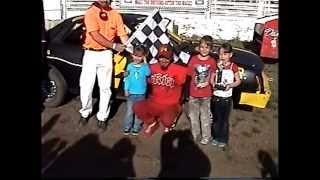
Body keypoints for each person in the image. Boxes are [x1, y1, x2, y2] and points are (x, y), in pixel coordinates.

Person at [79, 0, 128, 130]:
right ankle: (85, 112)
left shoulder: (115, 15)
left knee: (105, 87)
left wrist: (132, 49)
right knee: (86, 86)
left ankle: (102, 117)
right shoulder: (90, 13)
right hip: (90, 54)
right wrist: (114, 45)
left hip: (106, 54)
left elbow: (123, 35)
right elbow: (94, 34)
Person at [133, 44, 187, 136]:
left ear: (171, 58)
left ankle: (173, 117)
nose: (163, 60)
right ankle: (152, 122)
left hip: (171, 104)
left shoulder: (180, 69)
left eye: (167, 58)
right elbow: (139, 71)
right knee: (137, 107)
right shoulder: (151, 67)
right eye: (161, 57)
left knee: (167, 122)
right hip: (154, 101)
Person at [187, 35, 217, 145]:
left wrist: (206, 82)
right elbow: (190, 74)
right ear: (198, 47)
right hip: (194, 93)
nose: (204, 50)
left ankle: (206, 136)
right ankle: (196, 135)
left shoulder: (212, 61)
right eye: (202, 47)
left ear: (211, 49)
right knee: (193, 116)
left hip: (206, 94)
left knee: (205, 116)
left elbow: (212, 74)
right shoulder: (193, 59)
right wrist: (196, 82)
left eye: (207, 47)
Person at [211, 43, 241, 148]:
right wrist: (213, 83)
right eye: (220, 54)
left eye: (225, 54)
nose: (222, 56)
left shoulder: (233, 66)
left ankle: (223, 139)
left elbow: (238, 81)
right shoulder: (217, 65)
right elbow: (212, 77)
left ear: (230, 55)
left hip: (226, 98)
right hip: (216, 96)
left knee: (224, 121)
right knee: (216, 119)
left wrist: (230, 85)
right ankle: (215, 137)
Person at [122, 44, 150, 136]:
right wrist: (126, 89)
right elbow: (127, 79)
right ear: (132, 55)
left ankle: (136, 128)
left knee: (139, 113)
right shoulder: (129, 66)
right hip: (131, 93)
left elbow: (148, 73)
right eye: (135, 55)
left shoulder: (144, 67)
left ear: (143, 56)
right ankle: (127, 127)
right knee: (129, 112)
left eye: (140, 56)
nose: (137, 58)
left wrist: (145, 62)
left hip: (141, 94)